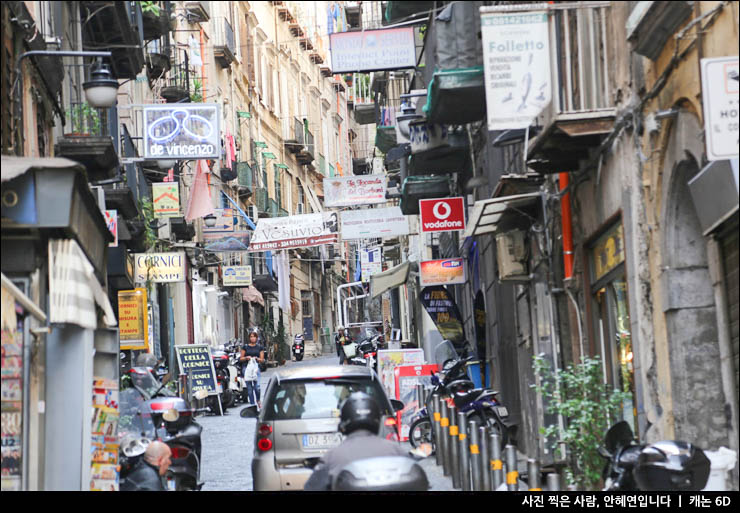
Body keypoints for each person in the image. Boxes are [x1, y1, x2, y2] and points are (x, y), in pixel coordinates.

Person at [303, 392, 409, 491]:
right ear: (377, 419)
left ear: (343, 423)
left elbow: (312, 487)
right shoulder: (395, 450)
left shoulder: (332, 456)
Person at [240, 330, 265, 409]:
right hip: (246, 368)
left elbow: (262, 359)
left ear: (256, 338)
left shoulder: (260, 347)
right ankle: (252, 405)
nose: (253, 338)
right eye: (251, 337)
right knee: (249, 389)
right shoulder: (245, 347)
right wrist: (246, 358)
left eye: (254, 336)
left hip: (256, 368)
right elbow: (241, 358)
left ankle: (258, 400)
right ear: (249, 338)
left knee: (257, 386)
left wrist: (257, 359)